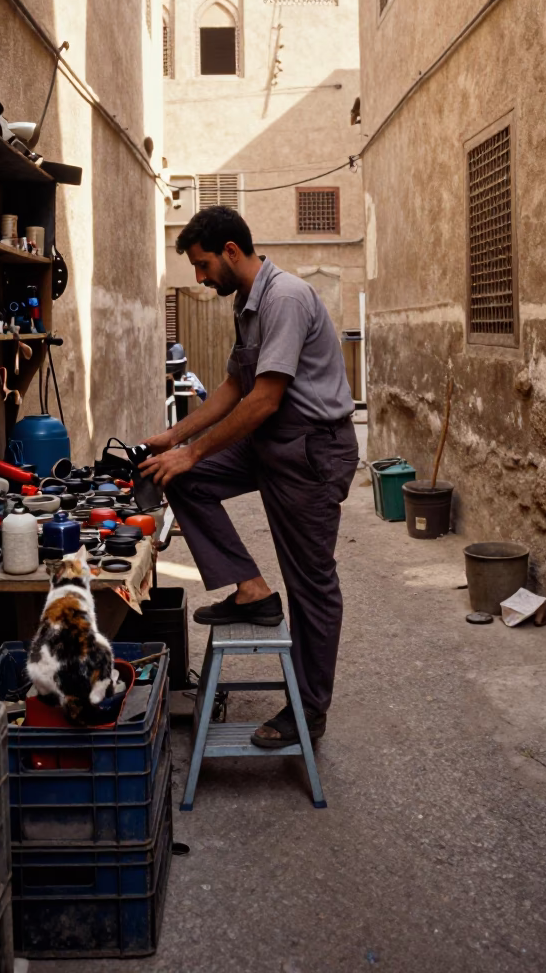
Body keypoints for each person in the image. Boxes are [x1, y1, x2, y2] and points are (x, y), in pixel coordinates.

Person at [141, 205, 359, 748]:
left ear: (232, 252)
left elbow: (264, 399)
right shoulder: (247, 302)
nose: (198, 276)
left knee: (312, 585)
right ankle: (253, 591)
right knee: (181, 479)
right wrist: (176, 438)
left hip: (311, 451)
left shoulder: (284, 297)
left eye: (202, 264)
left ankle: (309, 711)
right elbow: (236, 386)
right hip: (270, 443)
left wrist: (192, 451)